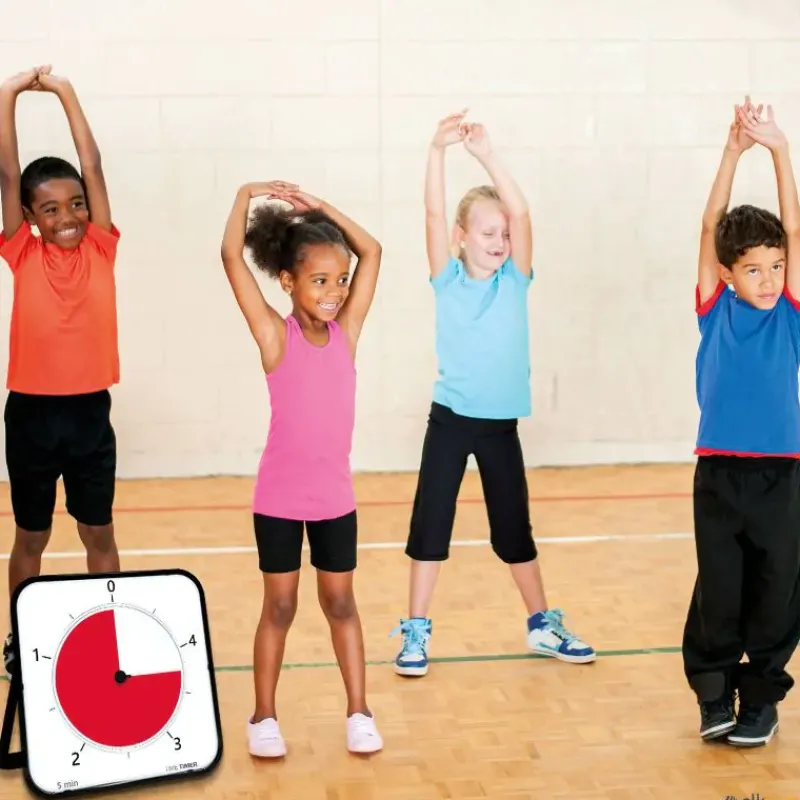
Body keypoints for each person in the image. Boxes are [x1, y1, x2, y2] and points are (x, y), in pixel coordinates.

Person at [392, 111, 595, 677]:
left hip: (500, 426)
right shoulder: (446, 278)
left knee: (514, 530)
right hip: (451, 421)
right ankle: (415, 630)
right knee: (431, 523)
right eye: (488, 232)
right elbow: (432, 210)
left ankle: (541, 624)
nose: (501, 241)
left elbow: (522, 212)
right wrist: (437, 149)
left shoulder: (516, 279)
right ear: (461, 238)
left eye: (504, 234)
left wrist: (486, 154)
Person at [220, 180, 384, 757]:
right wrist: (245, 194)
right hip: (280, 500)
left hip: (335, 499)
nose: (336, 291)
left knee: (341, 603)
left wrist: (319, 210)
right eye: (320, 280)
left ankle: (359, 710)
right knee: (281, 607)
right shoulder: (274, 335)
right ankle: (263, 717)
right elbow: (229, 257)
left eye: (340, 280)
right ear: (288, 282)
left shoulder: (348, 332)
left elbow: (375, 251)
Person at [683, 96, 800, 748]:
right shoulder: (714, 308)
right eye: (752, 268)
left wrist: (780, 149)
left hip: (781, 473)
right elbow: (708, 228)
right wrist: (732, 152)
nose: (766, 277)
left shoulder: (790, 312)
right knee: (720, 588)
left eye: (775, 266)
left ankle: (761, 700)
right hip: (719, 471)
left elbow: (796, 228)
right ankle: (714, 693)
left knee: (776, 589)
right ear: (727, 275)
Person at [0, 65, 122, 677]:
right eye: (50, 208)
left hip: (88, 412)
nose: (68, 216)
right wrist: (9, 95)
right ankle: (20, 637)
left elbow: (92, 165)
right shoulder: (22, 252)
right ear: (28, 216)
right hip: (31, 415)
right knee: (31, 537)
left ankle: (111, 632)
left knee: (97, 533)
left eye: (75, 204)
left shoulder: (101, 245)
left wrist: (68, 91)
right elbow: (5, 170)